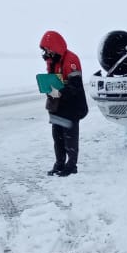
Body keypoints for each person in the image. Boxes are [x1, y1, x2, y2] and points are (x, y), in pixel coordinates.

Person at [40, 30, 88, 176]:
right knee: (58, 137)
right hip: (57, 106)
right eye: (45, 49)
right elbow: (53, 81)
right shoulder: (51, 60)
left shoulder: (71, 60)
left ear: (54, 46)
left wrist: (59, 91)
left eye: (48, 48)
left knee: (70, 138)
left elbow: (75, 86)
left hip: (72, 107)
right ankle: (59, 164)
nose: (46, 52)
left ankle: (71, 166)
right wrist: (48, 88)